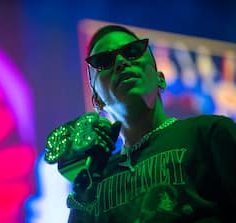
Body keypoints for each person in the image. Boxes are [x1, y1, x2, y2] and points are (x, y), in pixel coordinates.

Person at [45, 25, 236, 223]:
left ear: (160, 79)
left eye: (132, 51)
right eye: (104, 61)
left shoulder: (210, 134)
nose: (120, 61)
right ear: (97, 101)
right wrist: (83, 191)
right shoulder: (96, 181)